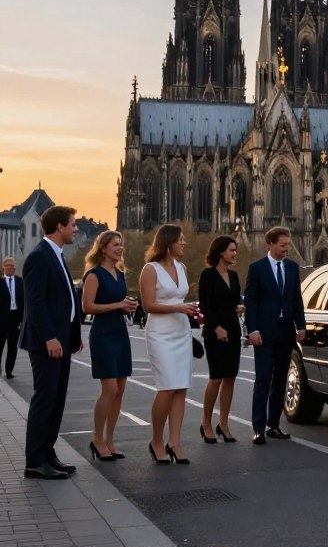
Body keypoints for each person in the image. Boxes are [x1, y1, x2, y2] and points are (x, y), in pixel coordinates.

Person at [18, 205, 82, 480]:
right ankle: (35, 461)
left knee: (56, 401)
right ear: (59, 227)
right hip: (47, 342)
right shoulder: (40, 256)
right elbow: (36, 303)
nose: (76, 229)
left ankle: (47, 453)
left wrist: (73, 336)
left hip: (61, 340)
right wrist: (49, 337)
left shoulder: (56, 254)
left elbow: (64, 299)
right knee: (45, 400)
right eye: (73, 224)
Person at [140, 224, 199, 464]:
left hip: (181, 331)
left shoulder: (181, 267)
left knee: (180, 388)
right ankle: (156, 441)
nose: (184, 243)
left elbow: (179, 299)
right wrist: (178, 308)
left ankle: (175, 443)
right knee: (166, 388)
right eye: (180, 239)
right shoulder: (150, 269)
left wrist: (191, 309)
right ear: (168, 242)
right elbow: (148, 305)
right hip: (160, 333)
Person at [244, 226, 305, 445]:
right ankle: (258, 428)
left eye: (287, 244)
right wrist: (253, 330)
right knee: (263, 379)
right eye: (282, 245)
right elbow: (250, 301)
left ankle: (273, 425)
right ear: (269, 244)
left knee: (280, 379)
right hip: (264, 332)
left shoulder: (292, 267)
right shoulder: (257, 268)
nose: (286, 249)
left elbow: (296, 299)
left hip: (285, 331)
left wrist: (301, 326)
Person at [81, 231, 138, 461]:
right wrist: (118, 305)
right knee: (110, 389)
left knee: (120, 390)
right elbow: (87, 307)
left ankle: (110, 440)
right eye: (115, 245)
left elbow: (118, 304)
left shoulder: (120, 274)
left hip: (120, 333)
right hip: (103, 335)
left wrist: (127, 307)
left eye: (121, 244)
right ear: (103, 248)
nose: (120, 248)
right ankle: (97, 439)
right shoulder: (94, 275)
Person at [198, 235, 244, 443]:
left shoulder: (233, 275)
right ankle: (206, 423)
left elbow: (232, 302)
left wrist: (239, 308)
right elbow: (205, 305)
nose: (235, 254)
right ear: (220, 252)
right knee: (216, 378)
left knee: (230, 378)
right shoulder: (208, 275)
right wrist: (216, 327)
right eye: (232, 250)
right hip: (214, 331)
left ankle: (223, 424)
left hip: (233, 330)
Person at [0, 256, 24, 378]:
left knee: (13, 346)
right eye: (8, 266)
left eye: (12, 266)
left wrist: (23, 318)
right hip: (2, 318)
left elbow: (24, 300)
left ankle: (9, 370)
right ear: (3, 268)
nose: (10, 268)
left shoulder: (20, 282)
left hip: (15, 318)